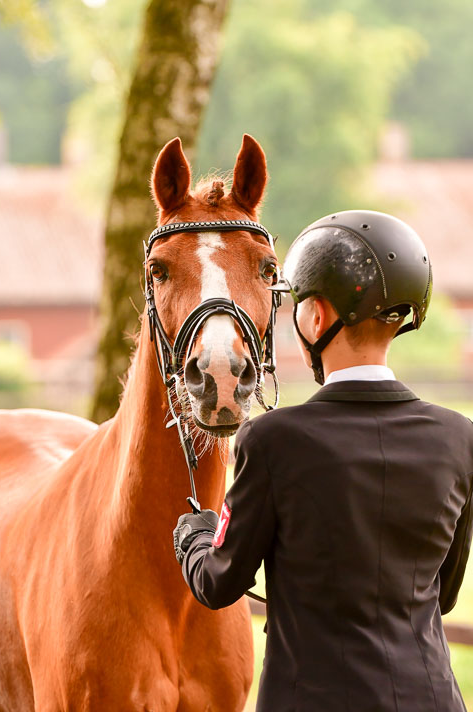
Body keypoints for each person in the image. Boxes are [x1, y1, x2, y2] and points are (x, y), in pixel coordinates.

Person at [173, 209, 473, 712]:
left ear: (316, 316)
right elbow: (442, 595)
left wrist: (195, 535)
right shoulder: (459, 437)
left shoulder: (271, 441)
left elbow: (218, 581)